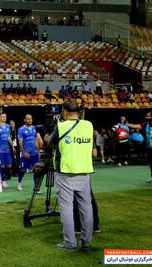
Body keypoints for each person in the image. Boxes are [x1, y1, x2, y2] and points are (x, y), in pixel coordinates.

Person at [45, 99, 97, 250]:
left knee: (66, 208)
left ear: (65, 112)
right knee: (86, 207)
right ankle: (86, 241)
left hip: (66, 172)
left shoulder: (61, 126)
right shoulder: (88, 125)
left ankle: (70, 242)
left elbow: (50, 143)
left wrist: (48, 135)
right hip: (84, 171)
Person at [17, 114, 43, 192]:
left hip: (34, 153)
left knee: (37, 170)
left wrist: (38, 151)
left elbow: (36, 140)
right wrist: (24, 152)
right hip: (26, 153)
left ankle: (36, 187)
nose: (30, 120)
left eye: (31, 119)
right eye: (28, 119)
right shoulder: (21, 129)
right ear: (24, 120)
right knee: (23, 169)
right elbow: (20, 142)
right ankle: (19, 183)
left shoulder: (34, 128)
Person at [0, 113, 15, 188]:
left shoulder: (8, 126)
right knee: (2, 164)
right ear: (0, 118)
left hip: (7, 149)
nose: (4, 118)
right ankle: (3, 180)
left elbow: (9, 137)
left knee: (9, 165)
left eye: (5, 116)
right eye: (3, 116)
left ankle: (0, 175)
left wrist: (12, 147)